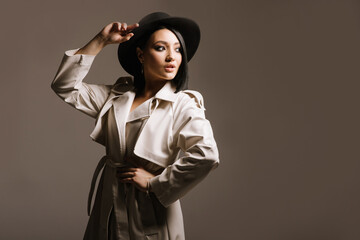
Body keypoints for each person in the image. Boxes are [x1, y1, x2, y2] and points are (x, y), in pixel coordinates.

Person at [51, 12, 219, 240]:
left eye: (178, 49)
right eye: (161, 48)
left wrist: (155, 183)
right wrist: (100, 41)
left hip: (151, 209)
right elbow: (65, 86)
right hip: (109, 204)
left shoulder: (183, 104)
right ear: (141, 54)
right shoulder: (116, 95)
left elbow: (206, 155)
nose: (172, 57)